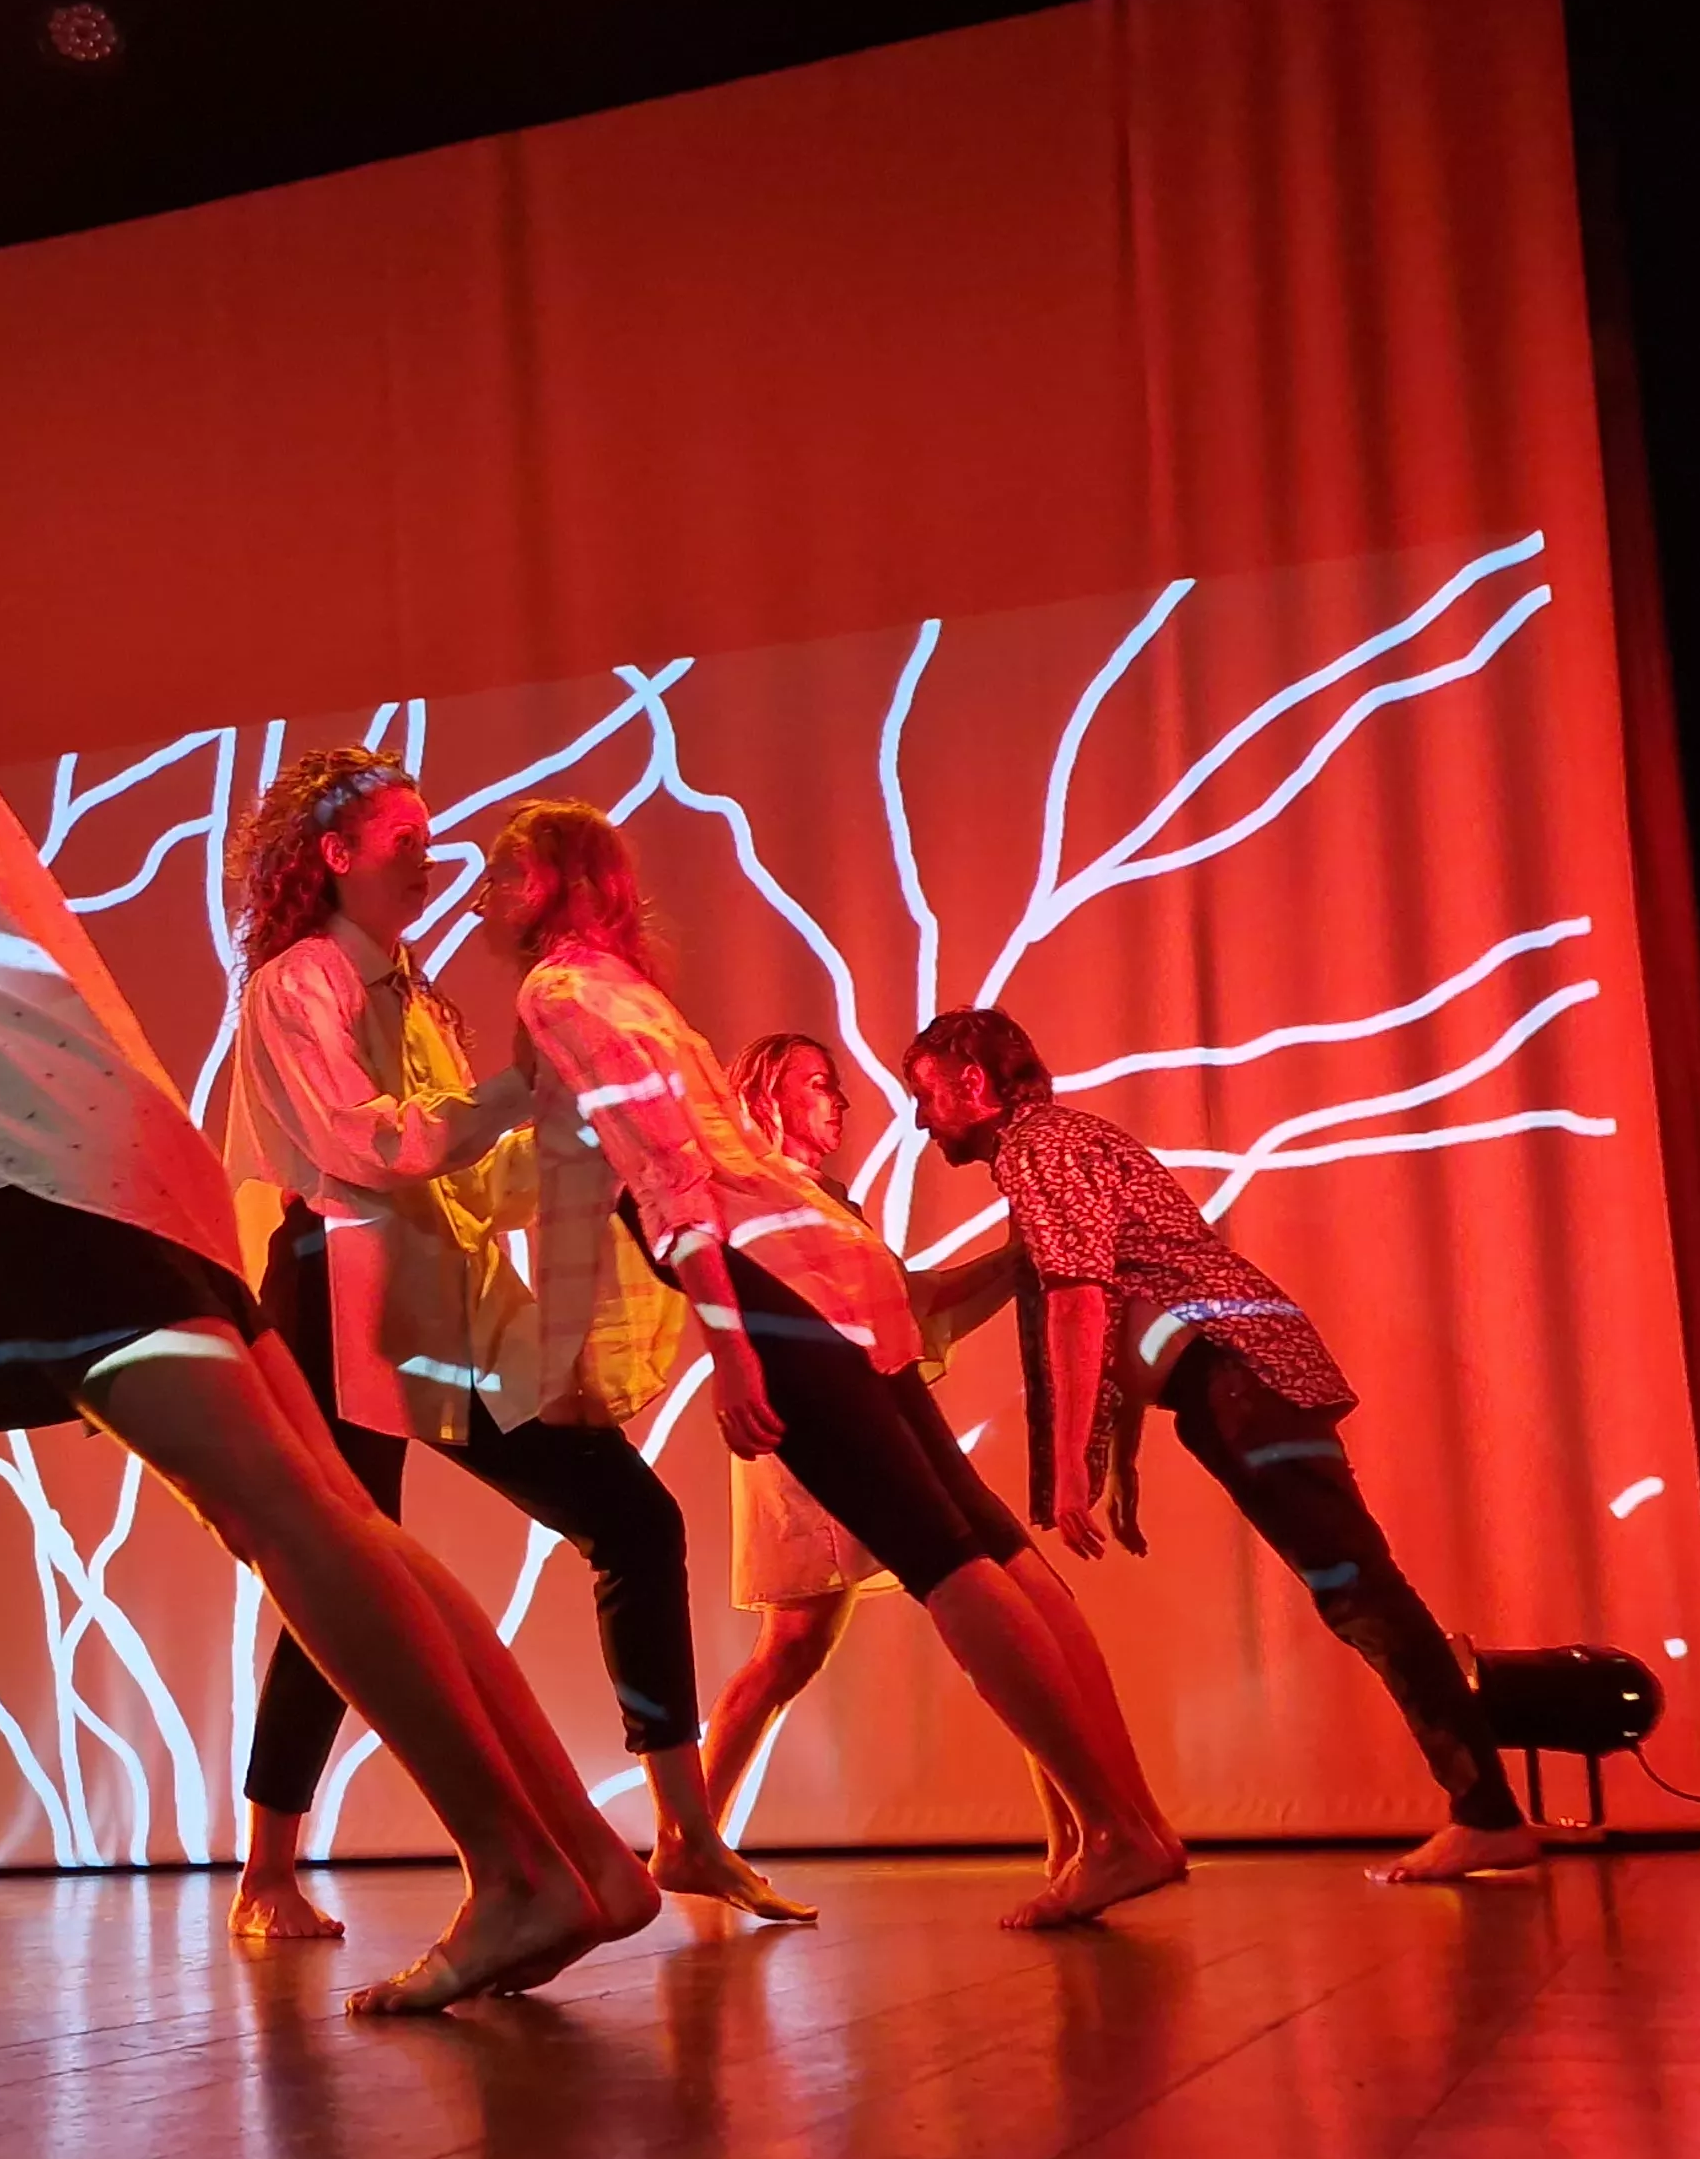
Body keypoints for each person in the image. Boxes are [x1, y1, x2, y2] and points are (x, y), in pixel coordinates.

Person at [0, 489, 658, 2011]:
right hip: (124, 1150)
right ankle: (581, 1856)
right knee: (329, 1515)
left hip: (23, 1168)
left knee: (289, 1523)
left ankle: (519, 1869)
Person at [489, 801, 1183, 1929]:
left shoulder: (561, 992)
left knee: (943, 1560)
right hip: (829, 1269)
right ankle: (1131, 1822)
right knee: (985, 1547)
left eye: (504, 871)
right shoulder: (637, 993)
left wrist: (730, 1344)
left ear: (558, 884)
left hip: (769, 1283)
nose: (482, 892)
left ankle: (1115, 1827)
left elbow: (666, 1177)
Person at [216, 747, 804, 1941]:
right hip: (342, 1288)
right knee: (350, 1572)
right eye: (405, 839)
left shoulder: (413, 991)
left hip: (449, 1289)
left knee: (632, 1519)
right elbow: (362, 1140)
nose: (432, 860)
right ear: (335, 854)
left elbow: (475, 1182)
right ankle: (266, 1867)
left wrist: (597, 1128)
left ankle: (685, 1828)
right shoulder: (298, 981)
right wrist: (510, 1097)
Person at [902, 1005, 1541, 1882]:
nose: (921, 1119)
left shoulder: (1038, 1148)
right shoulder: (1070, 1141)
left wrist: (1074, 1468)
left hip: (1243, 1378)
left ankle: (1487, 1812)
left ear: (973, 1081)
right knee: (1357, 1588)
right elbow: (1138, 1292)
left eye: (924, 1093)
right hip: (1245, 1377)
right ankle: (1485, 1808)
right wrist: (1121, 1455)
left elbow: (1082, 1300)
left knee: (1359, 1589)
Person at [697, 1035, 1175, 1893]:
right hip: (810, 1435)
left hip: (880, 1422)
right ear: (766, 1095)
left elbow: (914, 1304)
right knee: (797, 1646)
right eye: (819, 1084)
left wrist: (1022, 1256)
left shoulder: (832, 1201)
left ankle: (1081, 1834)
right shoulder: (751, 1193)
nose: (840, 1102)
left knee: (999, 1598)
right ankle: (689, 1832)